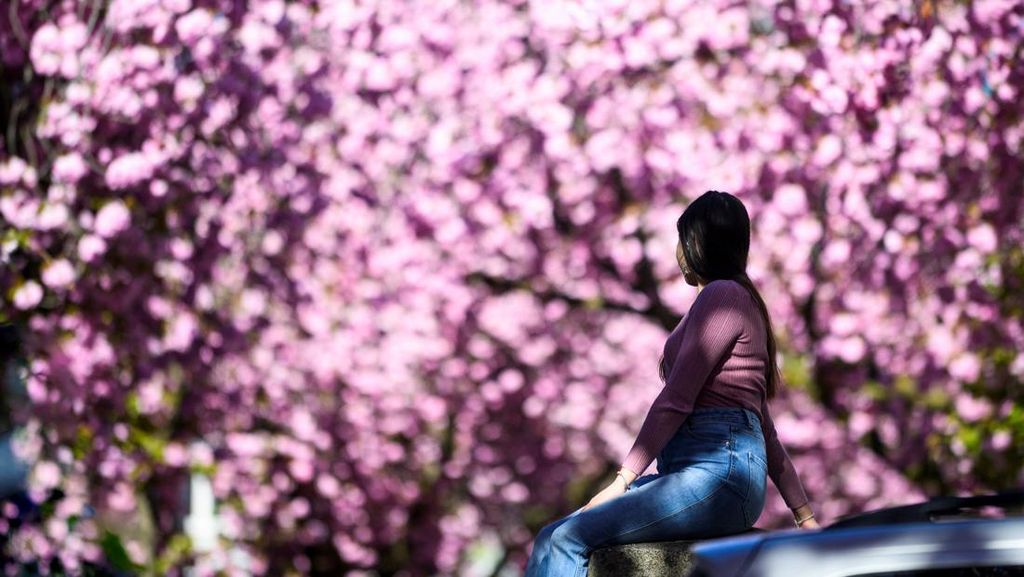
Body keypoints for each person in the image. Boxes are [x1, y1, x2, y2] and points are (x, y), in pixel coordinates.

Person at [524, 190, 818, 577]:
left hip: (719, 476)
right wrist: (804, 516)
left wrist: (622, 481)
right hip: (705, 472)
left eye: (681, 242)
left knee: (570, 538)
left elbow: (676, 399)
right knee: (550, 535)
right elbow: (765, 430)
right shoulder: (735, 302)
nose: (677, 253)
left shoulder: (723, 296)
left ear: (695, 244)